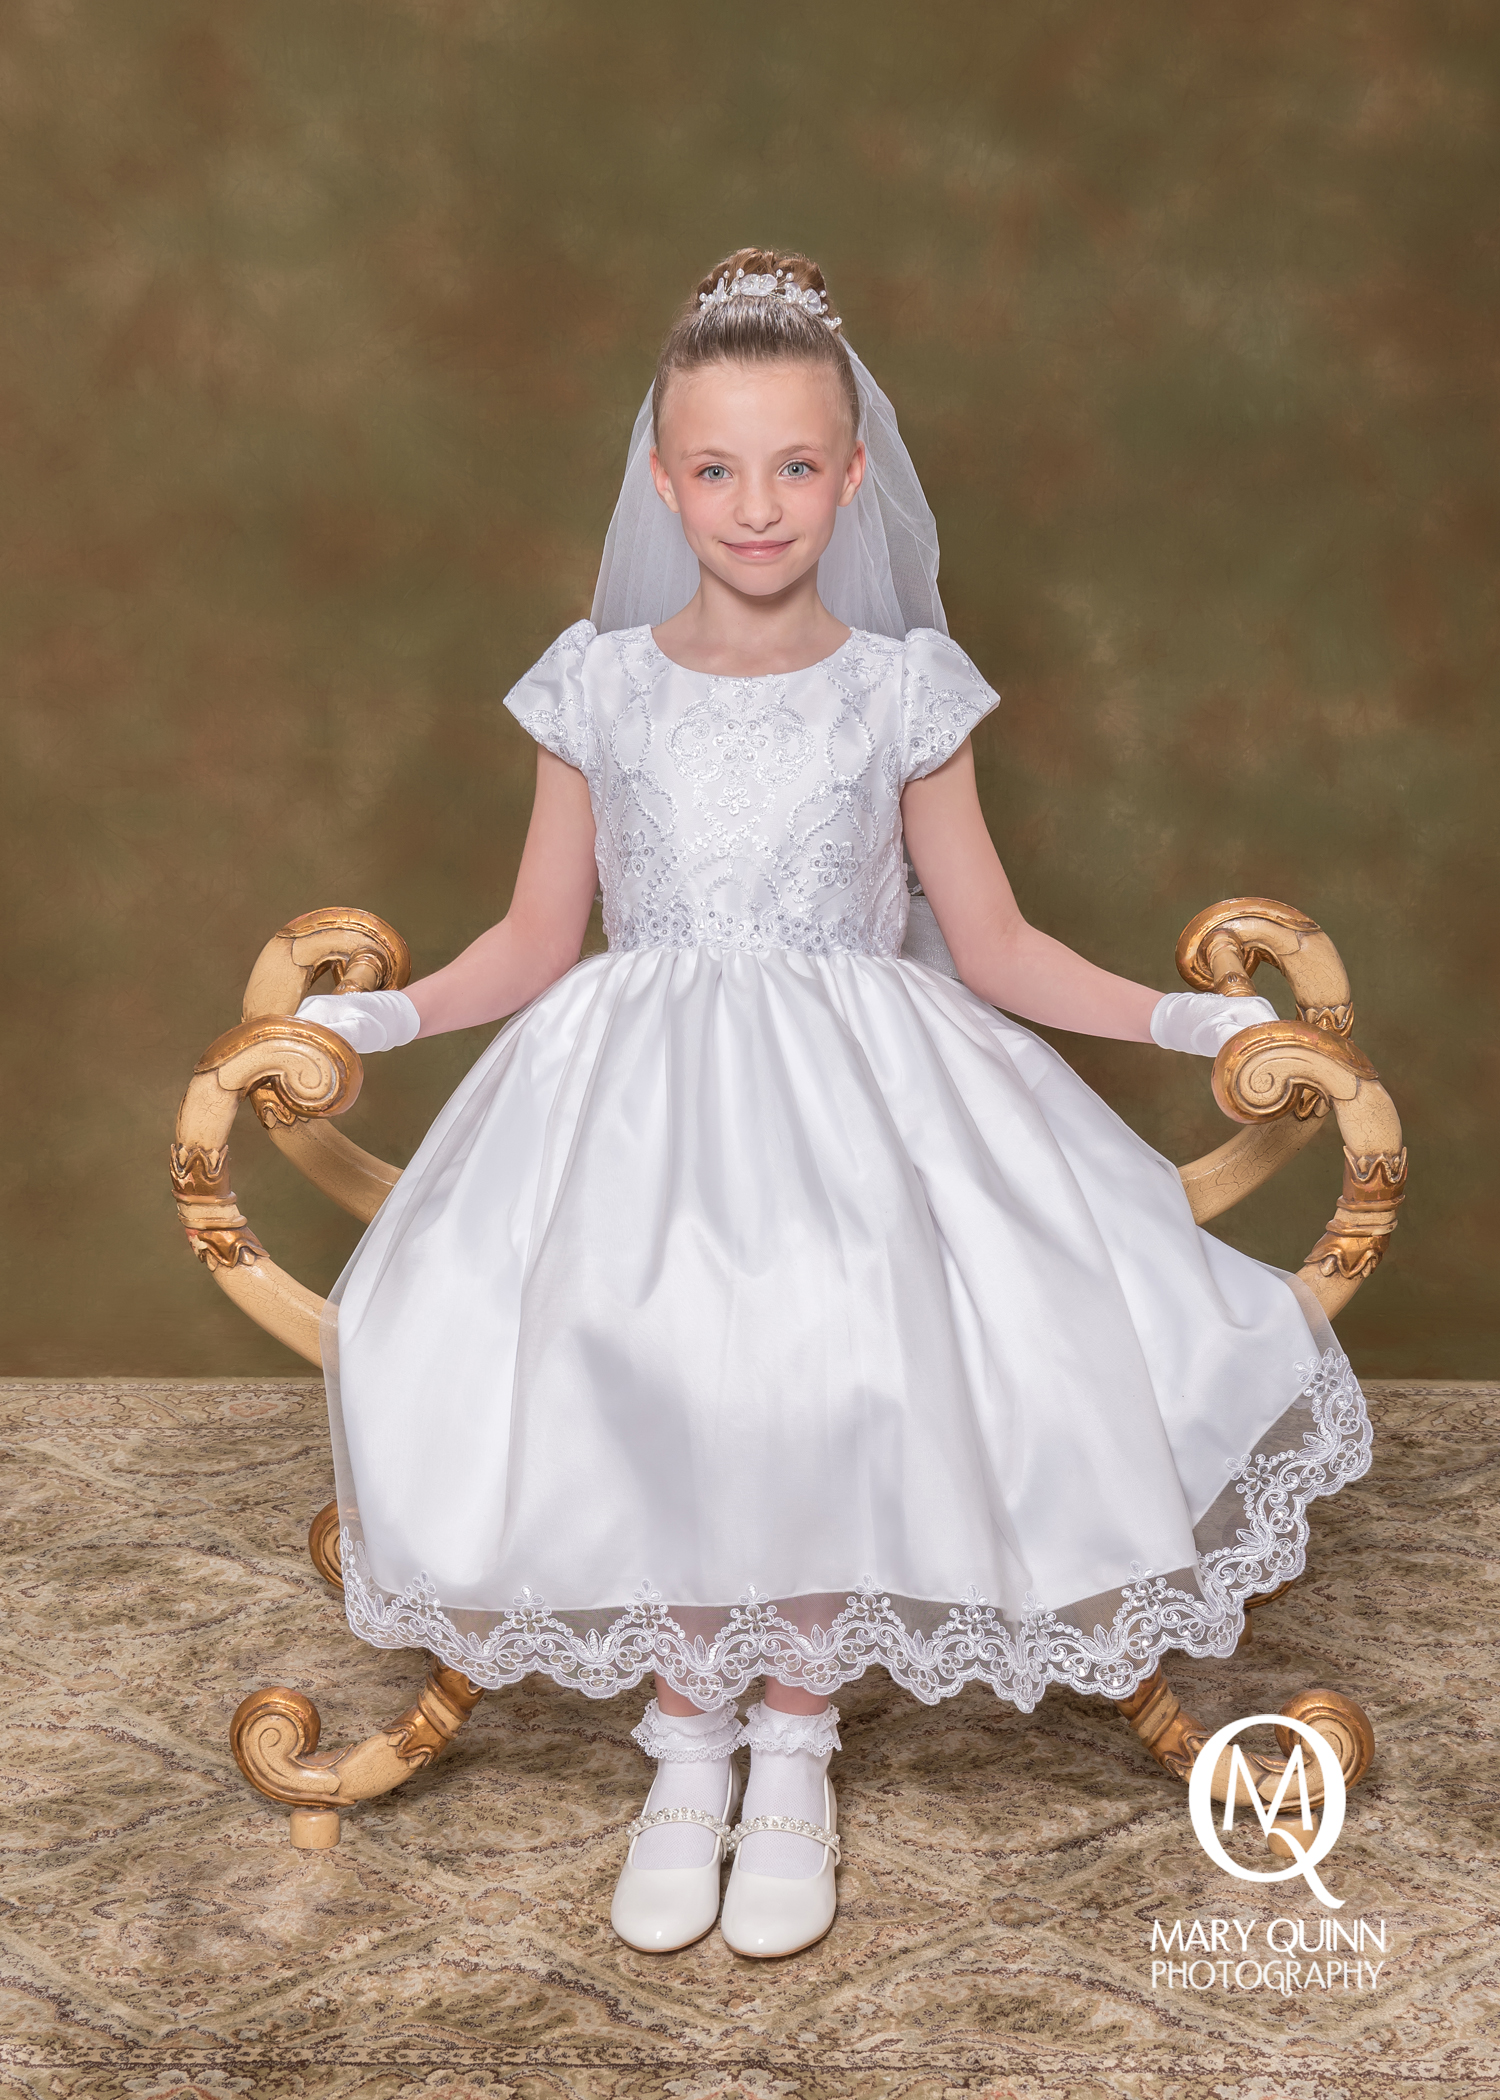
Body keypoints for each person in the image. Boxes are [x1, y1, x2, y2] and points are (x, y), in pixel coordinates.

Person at [297, 247, 1371, 1962]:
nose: (757, 504)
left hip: (863, 1092)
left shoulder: (903, 690)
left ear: (853, 474)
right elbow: (532, 941)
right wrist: (376, 1015)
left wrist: (1187, 1015)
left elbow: (998, 946)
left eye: (795, 465)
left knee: (822, 1356)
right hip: (634, 1099)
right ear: (662, 482)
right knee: (652, 1357)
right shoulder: (597, 683)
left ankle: (793, 1742)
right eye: (717, 468)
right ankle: (685, 1745)